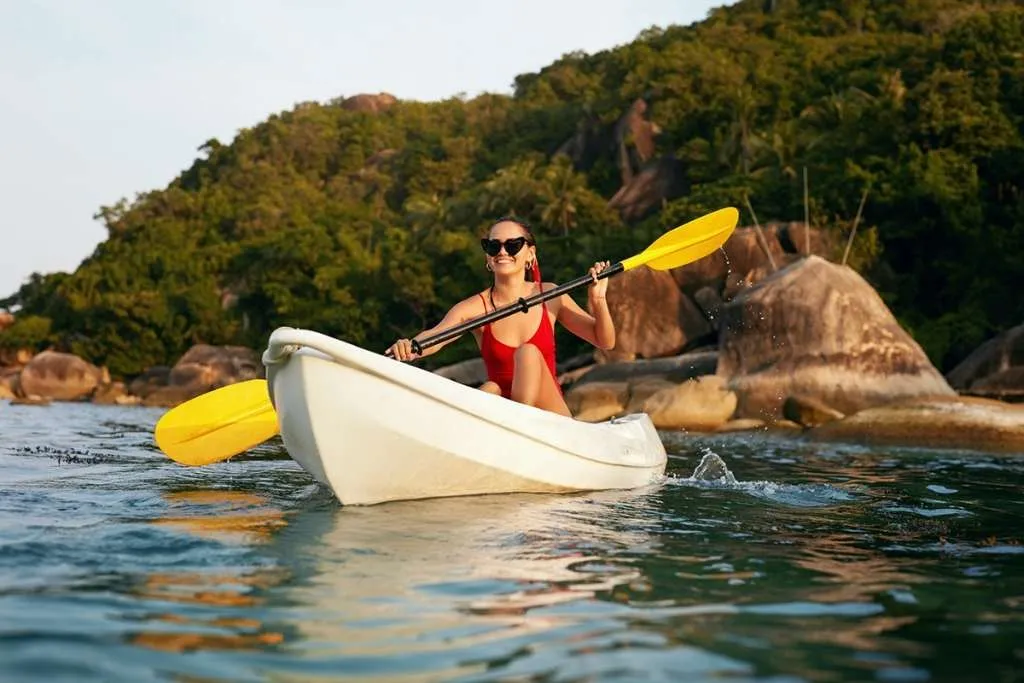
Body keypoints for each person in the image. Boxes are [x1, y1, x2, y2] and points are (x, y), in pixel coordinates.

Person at [386, 217, 615, 416]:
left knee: (527, 352)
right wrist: (410, 346)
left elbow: (605, 341)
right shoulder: (476, 307)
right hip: (502, 417)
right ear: (488, 256)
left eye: (513, 245)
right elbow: (436, 336)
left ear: (530, 254)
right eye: (493, 246)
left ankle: (520, 423)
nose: (502, 252)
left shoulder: (550, 294)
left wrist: (598, 299)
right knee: (490, 389)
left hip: (550, 415)